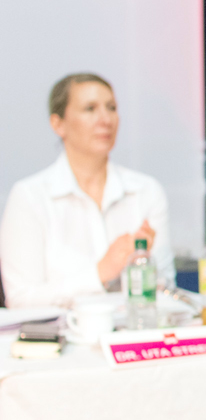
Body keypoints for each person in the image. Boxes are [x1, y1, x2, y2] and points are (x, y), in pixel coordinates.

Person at [0, 73, 174, 308]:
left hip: (132, 335)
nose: (105, 119)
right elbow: (20, 299)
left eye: (111, 108)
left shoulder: (146, 191)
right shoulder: (30, 196)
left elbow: (165, 289)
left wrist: (144, 266)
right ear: (58, 124)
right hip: (59, 340)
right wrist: (99, 273)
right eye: (90, 109)